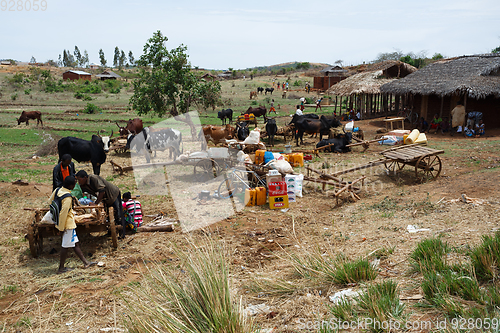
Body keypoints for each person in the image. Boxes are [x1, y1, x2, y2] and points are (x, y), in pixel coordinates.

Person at [50, 176, 96, 274]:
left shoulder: (58, 190)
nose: (75, 186)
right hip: (67, 225)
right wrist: (61, 228)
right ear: (71, 185)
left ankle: (86, 262)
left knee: (75, 243)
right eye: (74, 184)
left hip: (66, 224)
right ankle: (61, 268)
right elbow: (63, 213)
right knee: (65, 246)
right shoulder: (67, 197)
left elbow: (50, 202)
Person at [75, 170, 126, 238]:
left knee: (118, 214)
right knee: (107, 214)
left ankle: (122, 234)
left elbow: (102, 190)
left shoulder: (94, 178)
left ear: (84, 177)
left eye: (79, 180)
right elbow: (84, 195)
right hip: (105, 199)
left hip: (113, 194)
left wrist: (96, 203)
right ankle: (110, 232)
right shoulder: (83, 185)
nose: (79, 182)